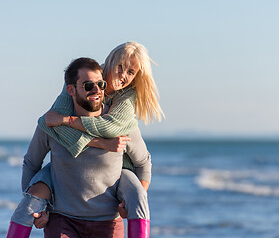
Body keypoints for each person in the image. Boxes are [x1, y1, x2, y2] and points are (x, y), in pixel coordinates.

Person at [7, 41, 163, 238]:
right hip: (62, 220)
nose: (123, 75)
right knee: (43, 179)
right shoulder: (53, 121)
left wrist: (128, 203)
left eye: (131, 72)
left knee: (131, 182)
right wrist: (40, 210)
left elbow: (143, 163)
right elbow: (31, 162)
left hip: (108, 222)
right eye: (120, 67)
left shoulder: (123, 122)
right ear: (72, 89)